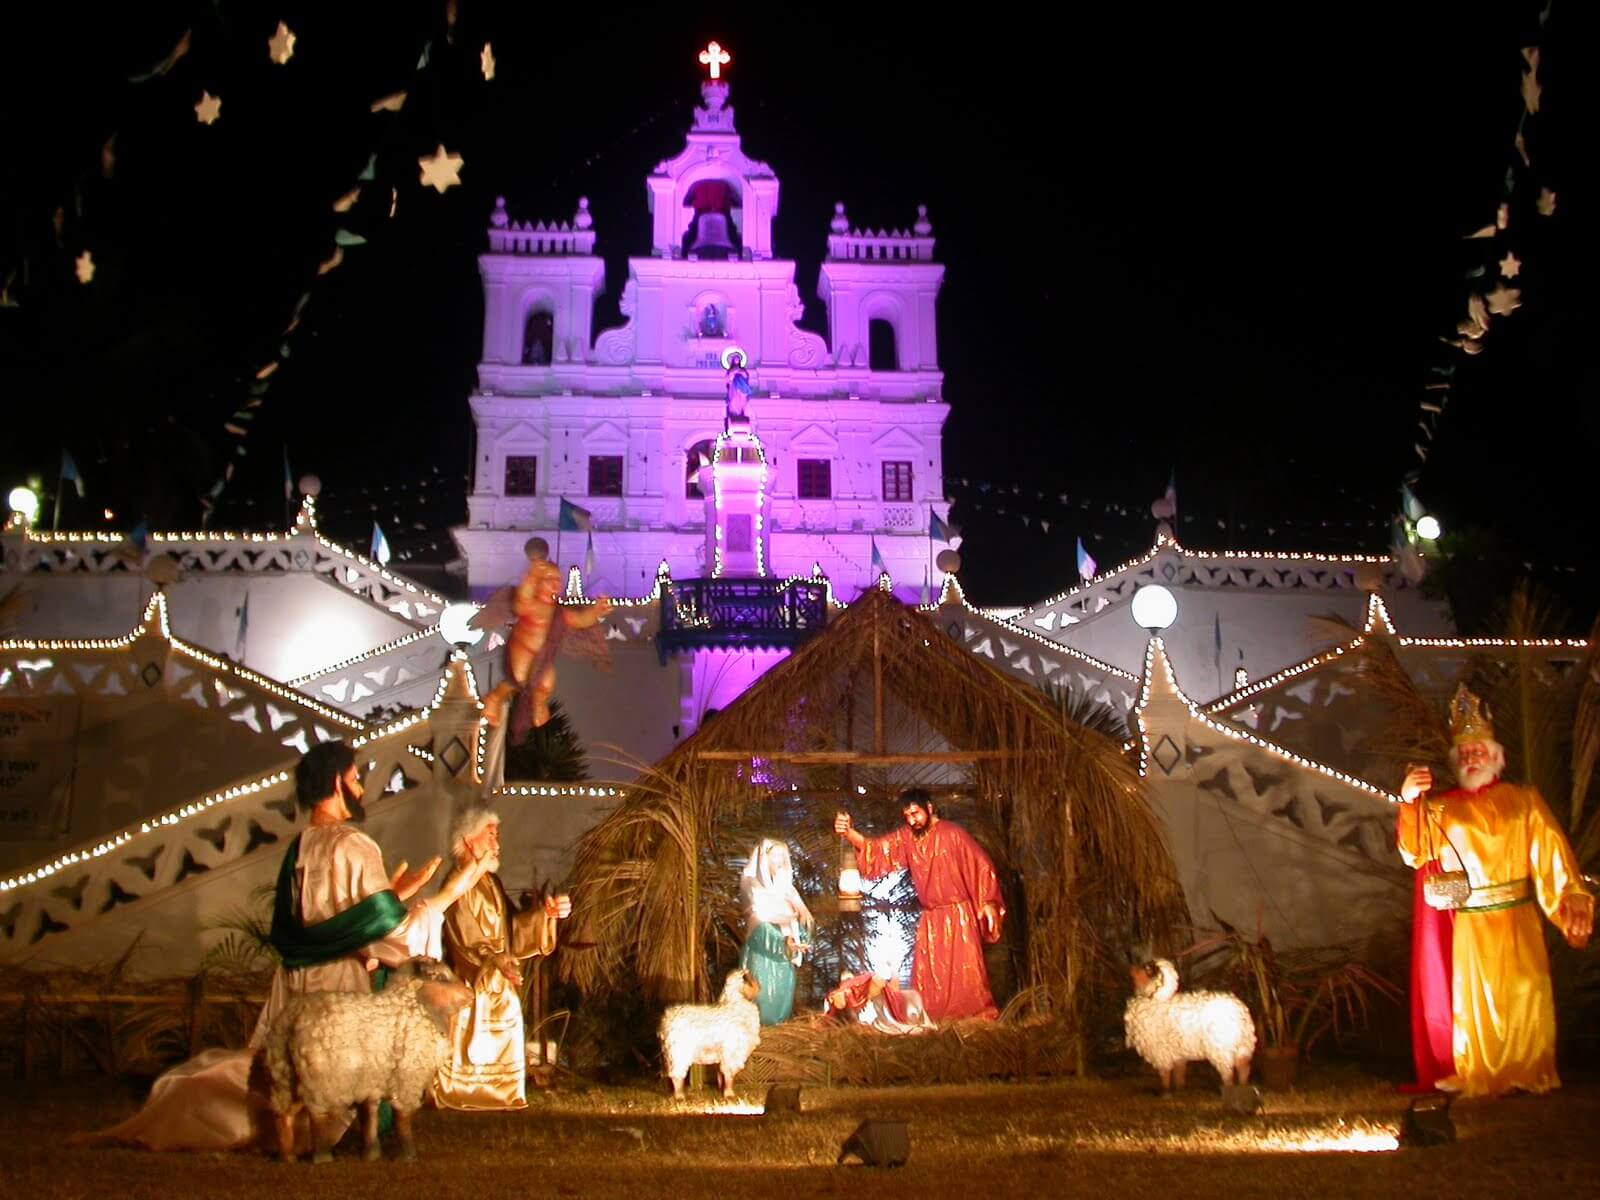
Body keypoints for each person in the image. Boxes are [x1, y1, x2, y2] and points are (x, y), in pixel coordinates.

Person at [75, 740, 486, 1150]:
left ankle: (213, 1104)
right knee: (330, 1064)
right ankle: (222, 1106)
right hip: (340, 984)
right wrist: (415, 907)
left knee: (277, 1062)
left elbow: (324, 919)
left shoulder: (301, 846)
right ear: (335, 783)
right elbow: (385, 933)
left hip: (294, 976)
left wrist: (390, 899)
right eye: (355, 779)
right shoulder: (355, 846)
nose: (361, 790)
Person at [1396, 685, 1594, 1097]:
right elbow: (1415, 853)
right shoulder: (1442, 809)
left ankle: (1530, 1068)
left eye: (1478, 750)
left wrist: (1572, 897)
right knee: (1476, 1001)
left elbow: (1552, 855)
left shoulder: (1524, 801)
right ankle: (1479, 1071)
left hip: (1519, 915)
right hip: (1472, 920)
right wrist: (1409, 800)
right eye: (1464, 752)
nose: (1471, 757)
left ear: (1495, 755)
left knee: (1526, 991)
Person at [430, 808, 570, 1110]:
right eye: (490, 835)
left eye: (497, 836)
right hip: (473, 981)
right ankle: (464, 1090)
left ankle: (501, 1091)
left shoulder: (491, 884)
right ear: (469, 842)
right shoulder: (459, 883)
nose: (497, 843)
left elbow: (511, 932)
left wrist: (543, 916)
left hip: (501, 980)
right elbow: (463, 937)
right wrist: (493, 960)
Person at [833, 790, 1005, 1022]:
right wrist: (850, 833)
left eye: (915, 813)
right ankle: (933, 1018)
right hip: (931, 918)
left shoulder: (954, 835)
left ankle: (971, 1017)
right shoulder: (907, 838)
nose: (912, 820)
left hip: (958, 915)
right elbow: (878, 850)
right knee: (931, 975)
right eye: (907, 816)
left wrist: (987, 903)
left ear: (930, 808)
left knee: (966, 974)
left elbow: (981, 866)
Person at [480, 538, 611, 733]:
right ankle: (495, 698)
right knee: (520, 679)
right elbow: (520, 602)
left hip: (542, 656)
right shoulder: (530, 604)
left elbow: (579, 620)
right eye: (550, 581)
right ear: (538, 583)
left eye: (558, 581)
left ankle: (538, 704)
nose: (556, 585)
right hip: (522, 650)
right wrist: (531, 575)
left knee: (547, 682)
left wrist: (595, 612)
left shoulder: (558, 612)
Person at [738, 839, 813, 1025]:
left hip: (784, 959)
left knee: (782, 999)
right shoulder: (752, 886)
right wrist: (782, 942)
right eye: (774, 856)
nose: (779, 860)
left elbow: (802, 919)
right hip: (763, 957)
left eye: (782, 856)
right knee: (762, 1000)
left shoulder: (788, 890)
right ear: (764, 858)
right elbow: (758, 921)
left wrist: (802, 929)